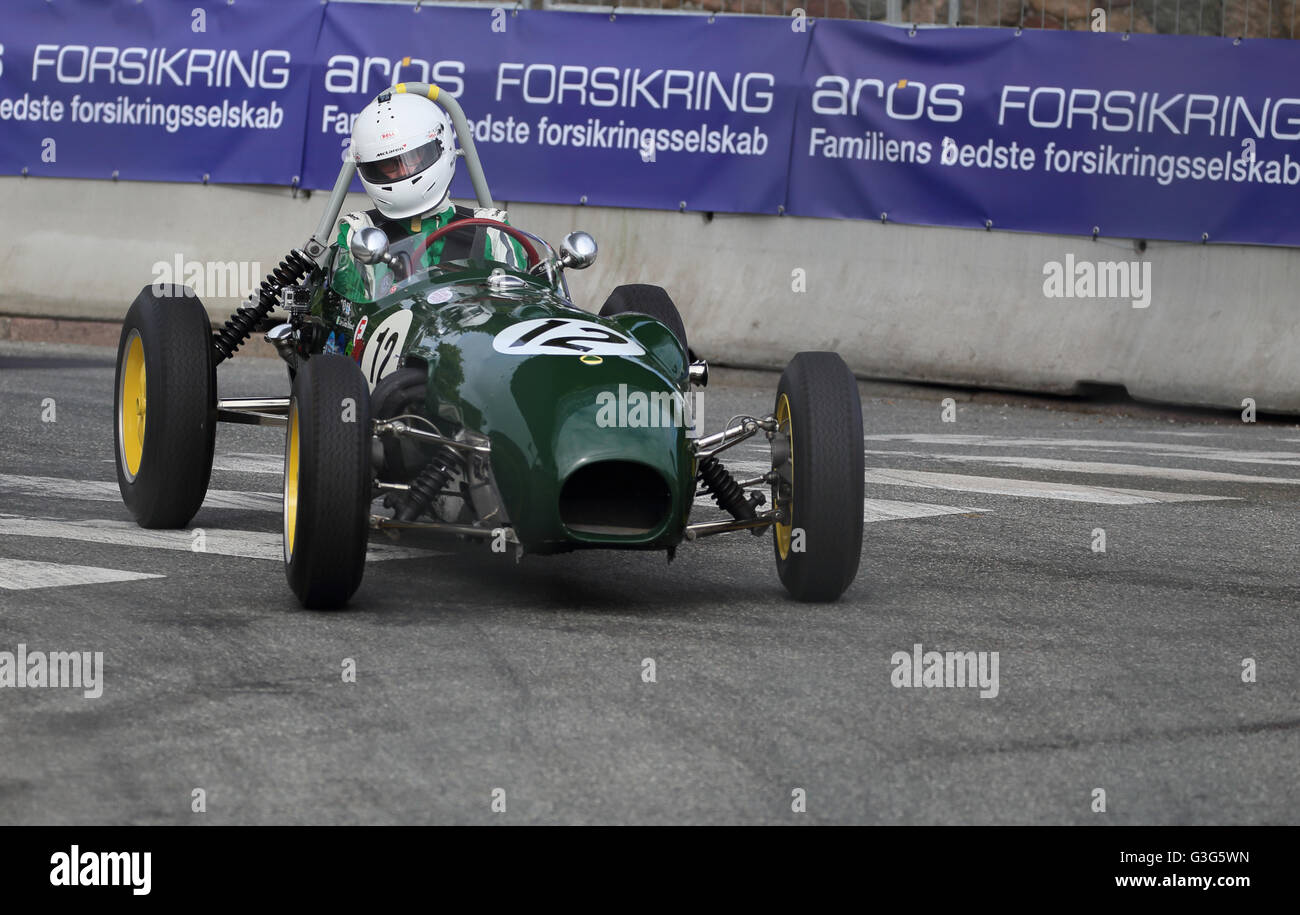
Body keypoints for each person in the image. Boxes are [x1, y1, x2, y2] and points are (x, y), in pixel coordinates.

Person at [330, 90, 523, 301]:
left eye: (412, 158)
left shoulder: (491, 230)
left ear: (442, 146)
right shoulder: (359, 232)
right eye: (387, 164)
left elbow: (515, 308)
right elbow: (345, 316)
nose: (403, 172)